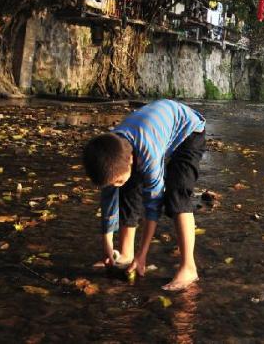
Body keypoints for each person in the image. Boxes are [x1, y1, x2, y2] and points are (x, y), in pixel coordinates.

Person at [82, 99, 206, 291]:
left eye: (118, 180)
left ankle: (189, 267)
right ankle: (125, 253)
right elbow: (108, 197)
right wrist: (106, 244)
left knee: (176, 193)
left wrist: (144, 254)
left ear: (131, 159)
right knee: (128, 187)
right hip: (153, 128)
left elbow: (153, 206)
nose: (116, 185)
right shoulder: (110, 151)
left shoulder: (148, 156)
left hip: (189, 131)